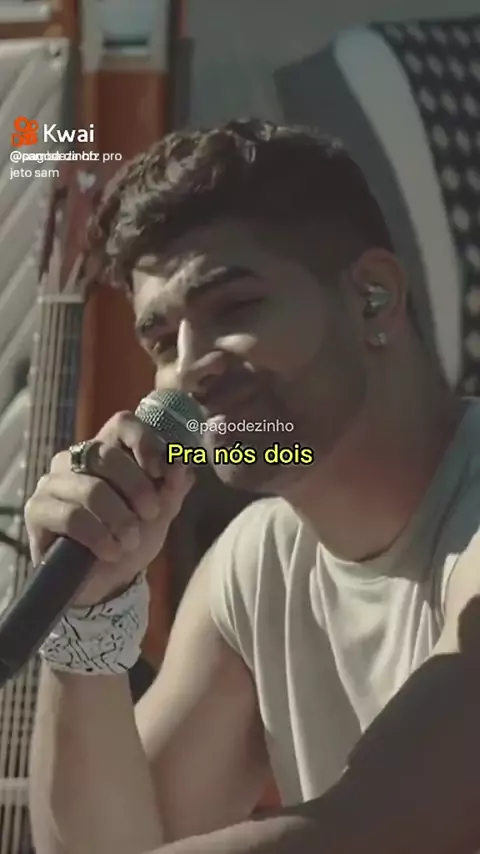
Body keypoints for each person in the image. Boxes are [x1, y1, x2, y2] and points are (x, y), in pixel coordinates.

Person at [25, 119, 480, 854]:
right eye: (160, 340)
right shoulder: (257, 564)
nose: (187, 368)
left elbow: (371, 832)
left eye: (234, 308)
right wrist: (87, 616)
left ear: (373, 297)